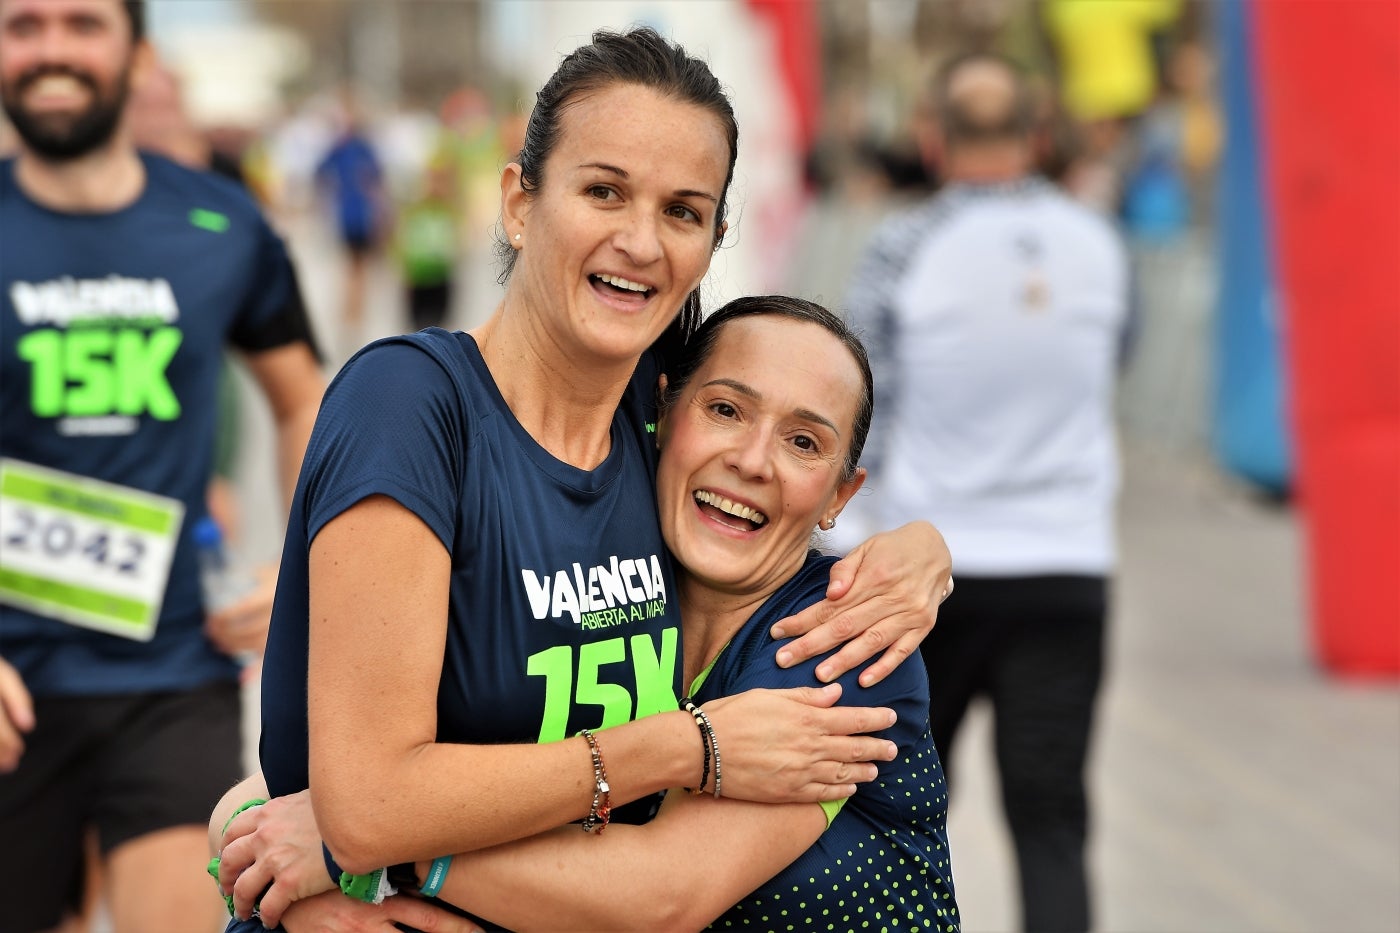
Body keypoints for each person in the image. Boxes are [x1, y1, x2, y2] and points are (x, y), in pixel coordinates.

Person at [209, 27, 952, 933]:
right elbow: (364, 806)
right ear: (520, 202)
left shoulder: (657, 423)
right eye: (604, 190)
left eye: (682, 212)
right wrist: (688, 747)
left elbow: (643, 881)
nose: (640, 239)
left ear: (713, 242)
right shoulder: (409, 401)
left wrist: (922, 551)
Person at [215, 296, 961, 933]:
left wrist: (379, 857)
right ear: (665, 415)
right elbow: (297, 794)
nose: (754, 460)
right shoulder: (611, 589)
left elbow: (666, 894)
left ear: (840, 493)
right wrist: (267, 840)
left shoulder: (850, 642)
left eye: (804, 442)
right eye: (726, 409)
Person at [0, 2, 326, 931]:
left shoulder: (221, 226)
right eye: (24, 25)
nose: (52, 49)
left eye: (81, 23)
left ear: (137, 53)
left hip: (173, 673)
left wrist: (298, 563)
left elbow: (303, 396)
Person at [840, 51, 1130, 932]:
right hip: (1069, 562)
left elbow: (860, 401)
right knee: (1051, 821)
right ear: (1036, 138)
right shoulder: (1098, 242)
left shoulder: (903, 244)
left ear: (932, 139)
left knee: (887, 821)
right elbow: (1115, 359)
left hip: (934, 574)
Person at [315, 89, 387, 336]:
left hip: (356, 215)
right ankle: (352, 315)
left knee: (357, 268)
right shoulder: (349, 147)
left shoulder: (354, 147)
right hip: (352, 215)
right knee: (355, 268)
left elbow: (376, 182)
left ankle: (353, 315)